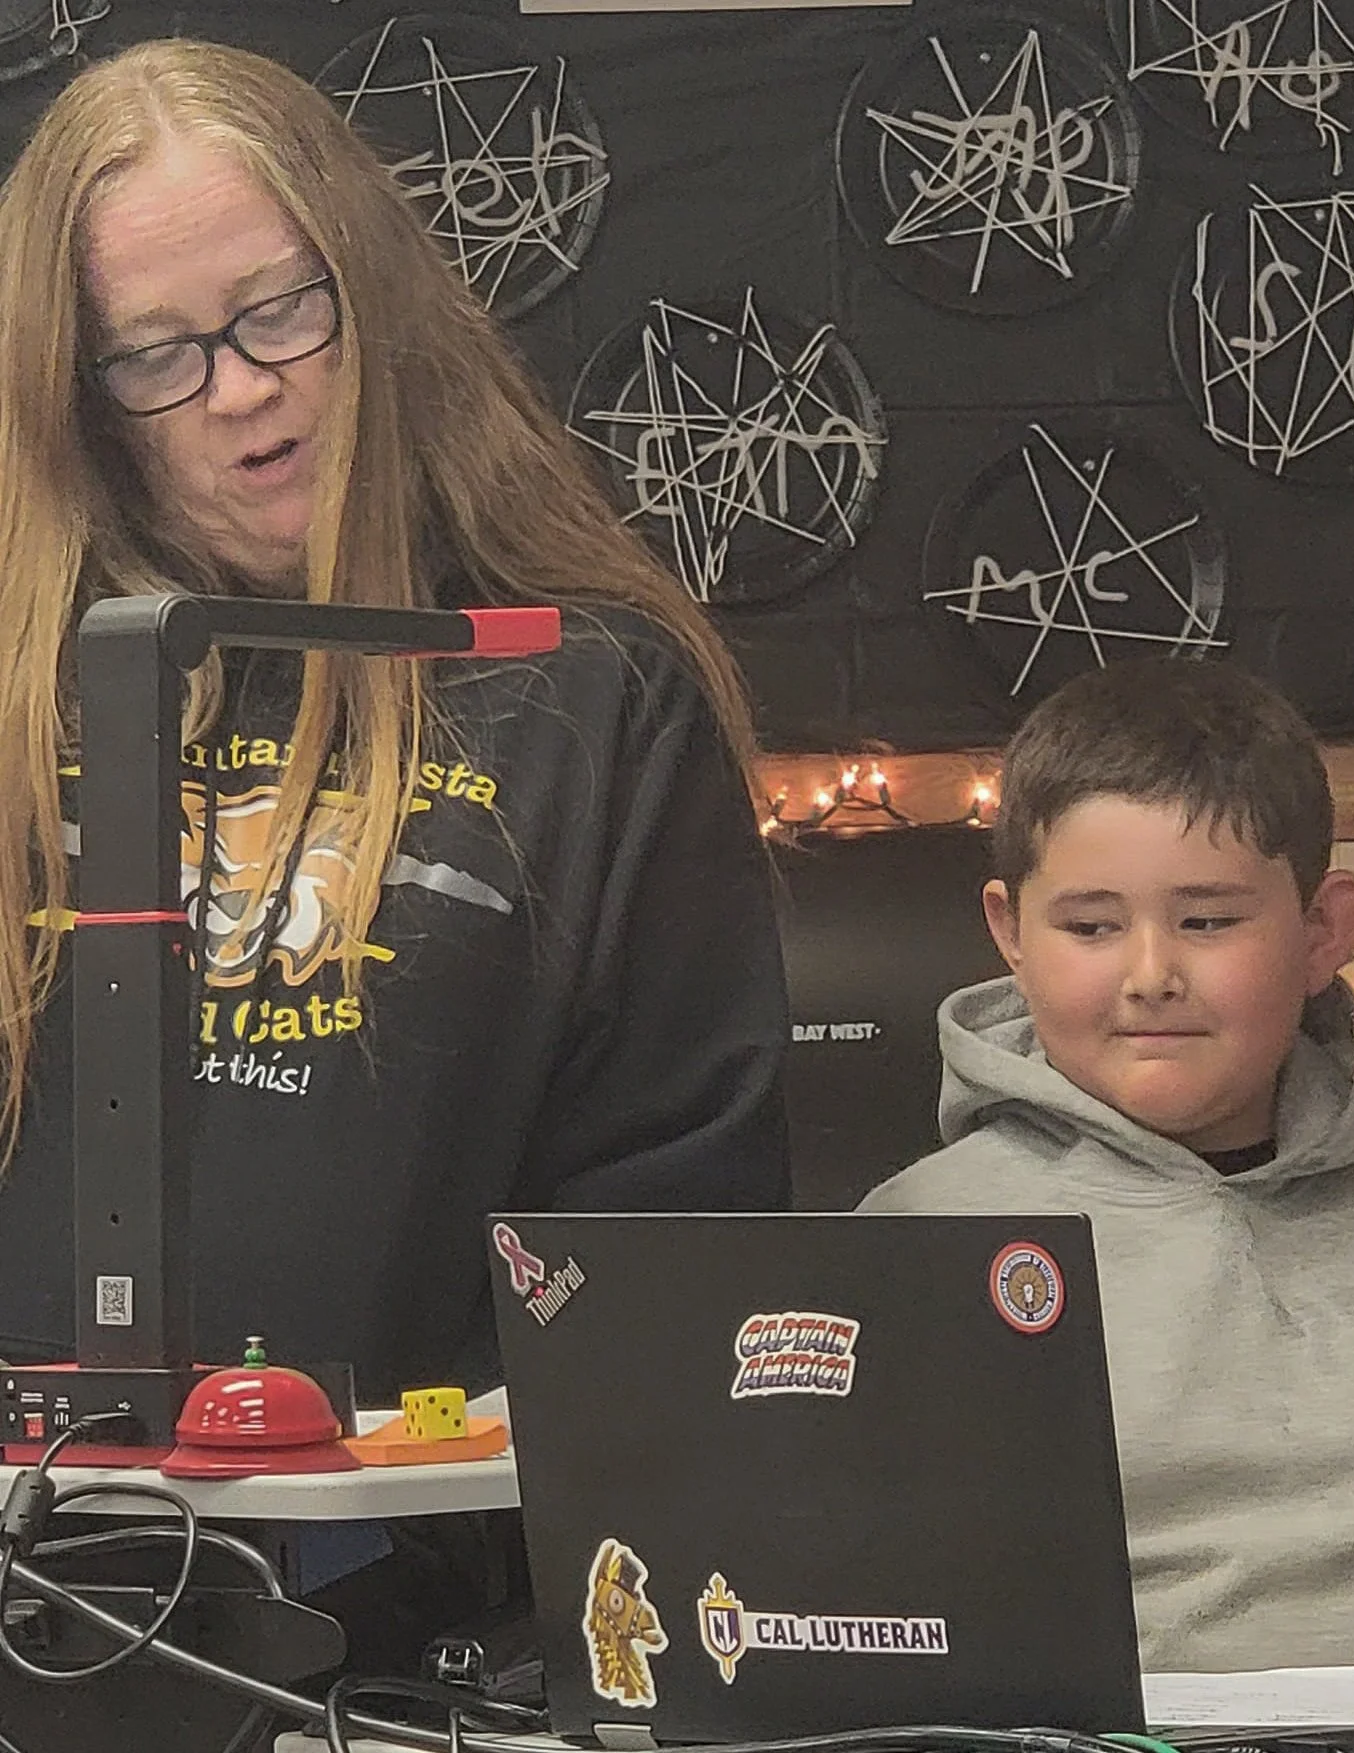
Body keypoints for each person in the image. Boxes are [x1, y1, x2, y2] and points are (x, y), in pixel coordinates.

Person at [0, 40, 790, 1406]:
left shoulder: (587, 690)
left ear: (370, 294)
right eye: (155, 355)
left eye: (278, 312)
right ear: (78, 396)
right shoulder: (29, 689)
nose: (239, 388)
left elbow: (674, 1226)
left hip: (426, 1516)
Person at [862, 657, 1354, 1706]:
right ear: (1010, 934)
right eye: (1089, 926)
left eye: (1207, 920)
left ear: (1321, 933)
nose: (1149, 975)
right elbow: (837, 1599)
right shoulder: (909, 1243)